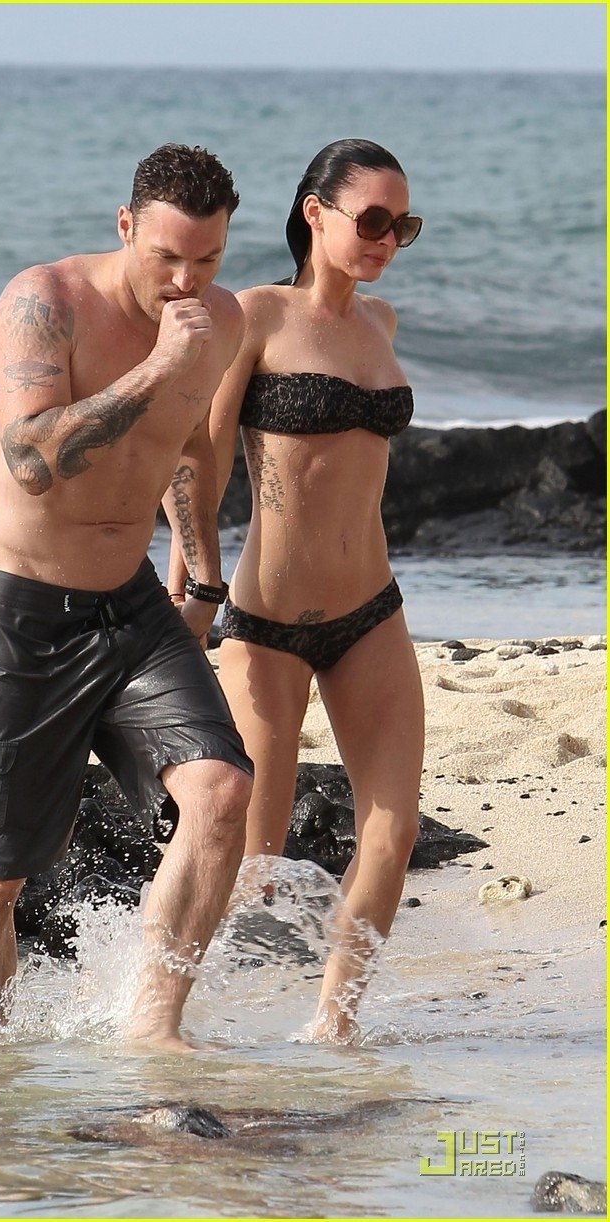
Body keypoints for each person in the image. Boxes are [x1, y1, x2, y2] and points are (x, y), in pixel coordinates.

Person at [0, 144, 254, 1051]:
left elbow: (188, 449)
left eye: (207, 259)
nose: (186, 281)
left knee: (221, 792)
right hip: (18, 610)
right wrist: (160, 363)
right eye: (167, 257)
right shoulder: (44, 301)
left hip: (132, 604)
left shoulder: (221, 320)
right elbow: (30, 457)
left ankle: (153, 1031)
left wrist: (201, 576)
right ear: (125, 227)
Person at [169, 138, 425, 1043]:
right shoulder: (254, 315)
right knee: (248, 856)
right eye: (372, 219)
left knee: (391, 833)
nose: (386, 238)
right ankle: (161, 1016)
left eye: (402, 226)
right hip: (265, 623)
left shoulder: (381, 323)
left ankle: (334, 1029)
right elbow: (195, 455)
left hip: (372, 614)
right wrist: (193, 581)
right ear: (315, 213)